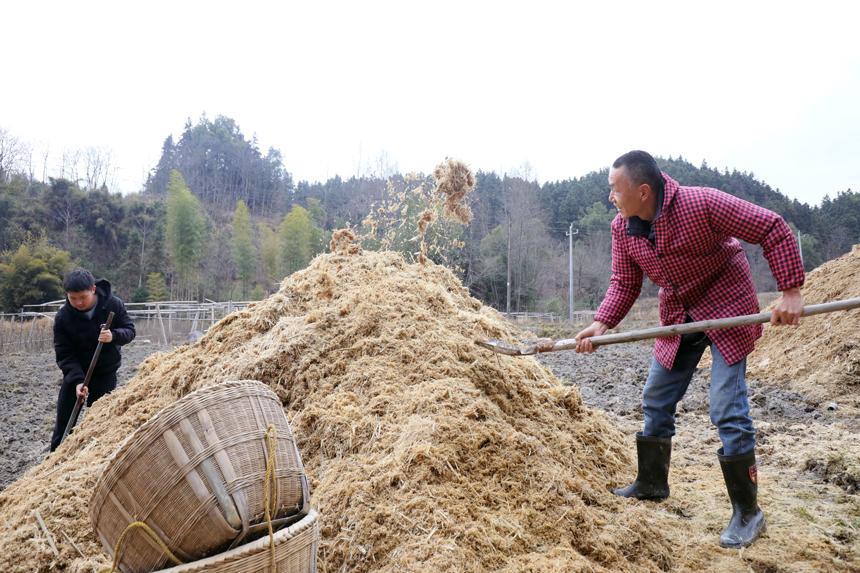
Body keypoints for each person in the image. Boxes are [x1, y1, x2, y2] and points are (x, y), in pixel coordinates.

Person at [574, 150, 804, 548]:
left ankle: (748, 513)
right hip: (679, 312)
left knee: (726, 407)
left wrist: (791, 291)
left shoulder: (700, 203)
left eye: (615, 189)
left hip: (727, 304)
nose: (610, 196)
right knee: (656, 395)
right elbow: (624, 282)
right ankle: (651, 483)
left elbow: (771, 227)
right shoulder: (621, 228)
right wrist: (602, 321)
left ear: (643, 191)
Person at [50, 268, 136, 451]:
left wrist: (113, 335)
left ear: (93, 289)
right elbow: (65, 353)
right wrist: (77, 382)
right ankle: (53, 464)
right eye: (73, 298)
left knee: (101, 423)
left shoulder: (113, 305)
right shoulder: (63, 317)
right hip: (76, 375)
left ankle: (97, 459)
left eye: (83, 297)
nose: (78, 303)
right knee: (64, 425)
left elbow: (130, 330)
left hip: (105, 373)